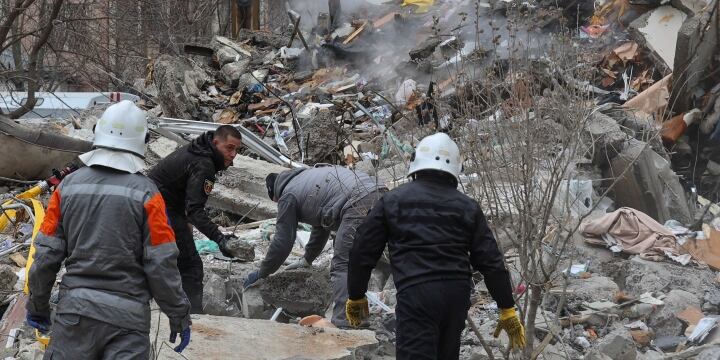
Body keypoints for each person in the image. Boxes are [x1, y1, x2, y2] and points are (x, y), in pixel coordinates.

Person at [26, 100, 191, 359]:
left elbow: (46, 256)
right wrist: (178, 313)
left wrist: (38, 305)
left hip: (74, 316)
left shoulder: (66, 188)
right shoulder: (148, 194)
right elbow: (161, 263)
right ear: (143, 140)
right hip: (128, 323)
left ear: (97, 131)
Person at [345, 133, 525, 359]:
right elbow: (490, 261)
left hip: (417, 294)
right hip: (457, 296)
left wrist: (356, 294)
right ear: (455, 168)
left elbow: (363, 250)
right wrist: (506, 307)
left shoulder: (393, 201)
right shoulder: (467, 207)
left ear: (416, 163)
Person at [243, 166, 385, 327]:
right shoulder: (306, 180)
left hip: (358, 200)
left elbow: (283, 241)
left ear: (275, 195)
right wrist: (307, 259)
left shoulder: (287, 195)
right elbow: (322, 225)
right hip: (379, 191)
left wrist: (262, 272)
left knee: (343, 264)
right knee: (362, 261)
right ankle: (360, 317)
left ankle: (346, 322)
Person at [147, 125, 243, 314]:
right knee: (191, 266)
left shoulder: (198, 150)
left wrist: (185, 223)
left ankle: (171, 307)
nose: (233, 155)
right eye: (229, 148)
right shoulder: (204, 164)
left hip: (154, 204)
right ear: (216, 143)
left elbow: (183, 195)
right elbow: (196, 211)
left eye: (237, 150)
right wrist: (220, 239)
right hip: (160, 209)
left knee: (171, 260)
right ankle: (194, 319)